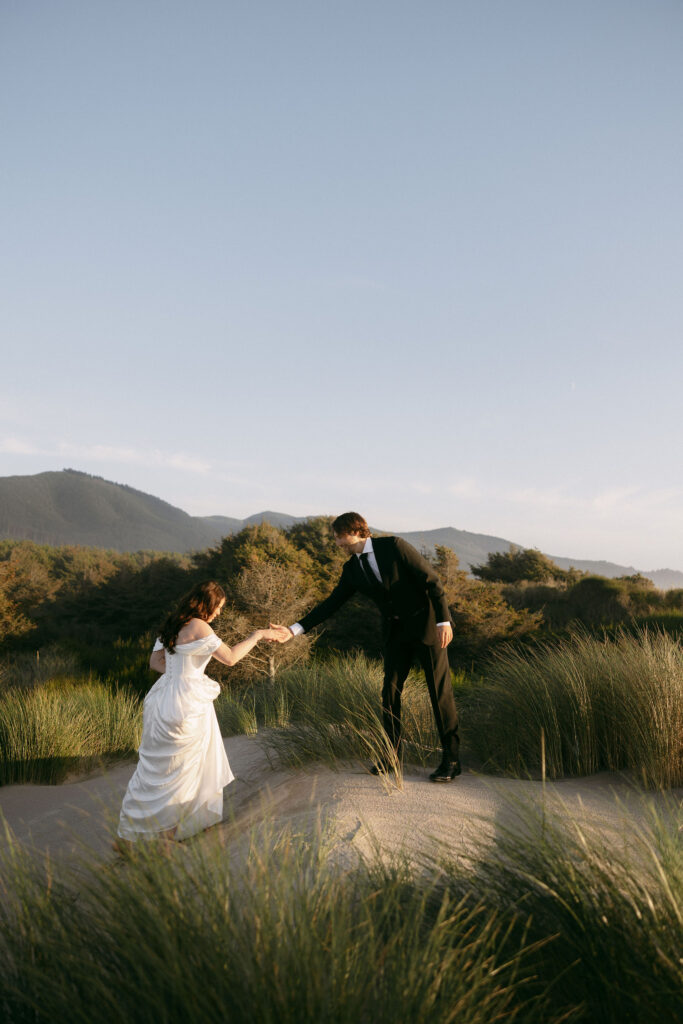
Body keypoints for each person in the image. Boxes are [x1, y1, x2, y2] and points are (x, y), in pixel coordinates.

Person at [278, 512, 461, 781]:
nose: (337, 543)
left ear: (355, 531)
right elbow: (331, 604)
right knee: (389, 694)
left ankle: (452, 761)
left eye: (339, 537)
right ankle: (391, 757)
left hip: (428, 628)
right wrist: (294, 630)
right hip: (396, 635)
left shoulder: (394, 546)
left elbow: (431, 579)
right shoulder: (351, 570)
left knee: (439, 693)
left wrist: (444, 621)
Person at [117, 580, 288, 846]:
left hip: (162, 700)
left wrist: (182, 674)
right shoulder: (199, 626)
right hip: (186, 706)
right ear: (207, 605)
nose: (219, 613)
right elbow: (230, 658)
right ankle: (166, 839)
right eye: (218, 607)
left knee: (154, 770)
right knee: (183, 772)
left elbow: (155, 662)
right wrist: (257, 635)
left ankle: (126, 838)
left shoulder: (173, 623)